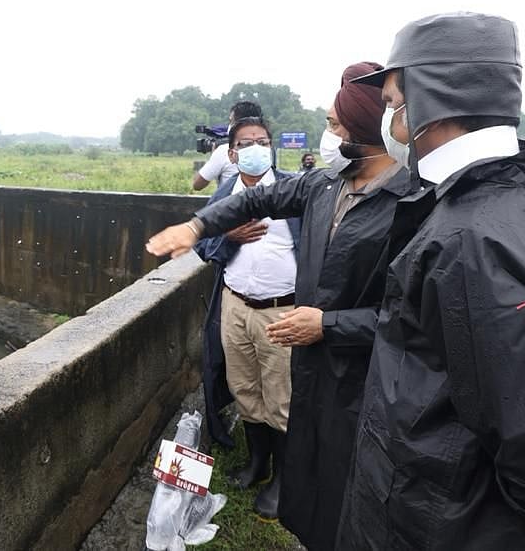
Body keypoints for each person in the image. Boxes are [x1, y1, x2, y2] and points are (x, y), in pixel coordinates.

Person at [337, 12, 525, 551]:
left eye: (390, 104)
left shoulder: (465, 238)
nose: (390, 122)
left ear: (427, 102)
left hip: (447, 516)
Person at [147, 62, 408, 545]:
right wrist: (198, 227)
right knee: (248, 390)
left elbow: (409, 314)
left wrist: (329, 324)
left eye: (332, 125)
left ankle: (293, 481)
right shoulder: (326, 185)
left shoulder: (410, 201)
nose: (326, 135)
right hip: (265, 315)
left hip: (331, 345)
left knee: (297, 414)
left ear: (365, 130)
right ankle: (261, 463)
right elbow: (252, 202)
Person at [192, 116, 302, 496]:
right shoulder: (224, 193)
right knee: (245, 387)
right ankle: (257, 463)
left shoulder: (295, 190)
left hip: (282, 310)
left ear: (271, 146)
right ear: (233, 152)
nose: (256, 148)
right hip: (235, 306)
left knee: (281, 395)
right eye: (246, 142)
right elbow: (202, 245)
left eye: (262, 140)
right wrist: (229, 236)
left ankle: (284, 481)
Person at [192, 101, 261, 190]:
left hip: (233, 203)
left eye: (231, 121)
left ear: (239, 124)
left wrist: (214, 155)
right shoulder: (267, 150)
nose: (229, 125)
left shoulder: (225, 150)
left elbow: (197, 184)